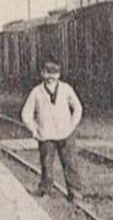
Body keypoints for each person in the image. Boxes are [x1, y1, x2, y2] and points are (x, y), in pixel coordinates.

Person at [21, 60, 84, 201]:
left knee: (70, 162)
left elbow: (78, 108)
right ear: (42, 73)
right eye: (48, 72)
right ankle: (45, 189)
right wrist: (34, 129)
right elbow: (26, 113)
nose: (51, 76)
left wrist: (71, 125)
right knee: (46, 163)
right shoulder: (36, 92)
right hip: (46, 134)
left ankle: (74, 191)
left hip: (65, 133)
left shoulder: (66, 89)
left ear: (59, 75)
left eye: (54, 73)